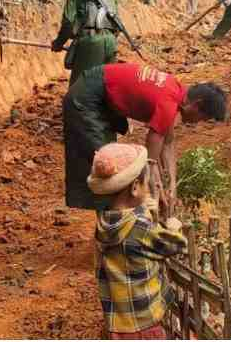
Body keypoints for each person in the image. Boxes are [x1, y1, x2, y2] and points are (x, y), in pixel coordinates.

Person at [62, 62, 227, 214]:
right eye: (203, 118)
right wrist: (158, 193)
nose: (199, 122)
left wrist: (172, 186)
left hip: (100, 94)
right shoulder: (168, 104)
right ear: (197, 105)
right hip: (86, 98)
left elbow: (168, 144)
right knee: (109, 168)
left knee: (112, 162)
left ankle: (112, 216)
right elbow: (150, 162)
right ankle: (112, 226)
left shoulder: (175, 90)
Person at [89, 143, 187, 340]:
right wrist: (174, 227)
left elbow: (132, 229)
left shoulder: (104, 221)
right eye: (145, 184)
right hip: (143, 325)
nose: (147, 190)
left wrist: (144, 209)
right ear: (135, 187)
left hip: (117, 323)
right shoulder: (140, 227)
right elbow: (175, 245)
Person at [51, 0, 119, 86]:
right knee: (105, 89)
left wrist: (59, 43)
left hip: (91, 42)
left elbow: (68, 23)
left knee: (79, 92)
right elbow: (116, 23)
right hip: (111, 42)